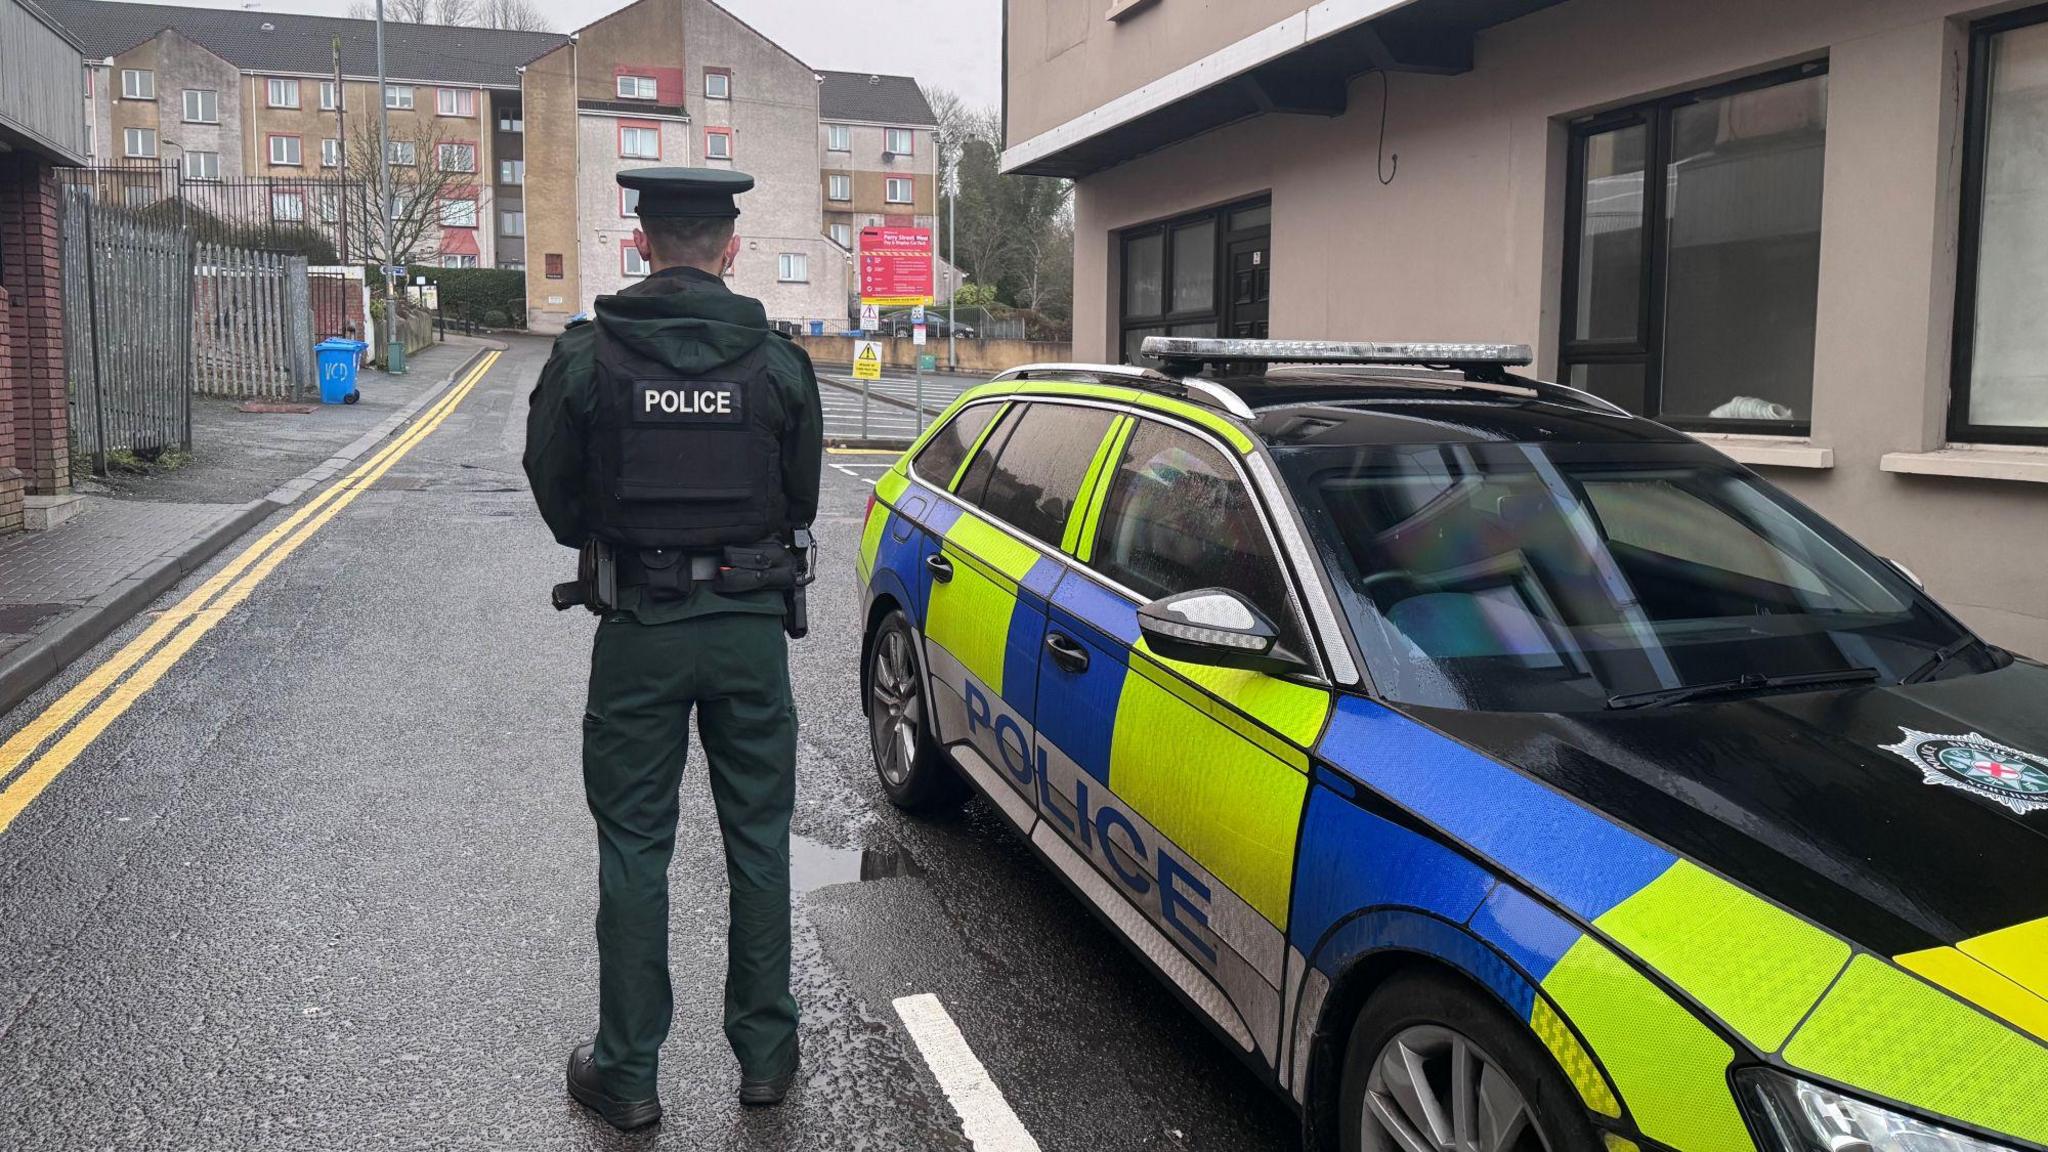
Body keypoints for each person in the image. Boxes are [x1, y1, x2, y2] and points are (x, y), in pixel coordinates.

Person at [522, 167, 823, 1131]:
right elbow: (805, 497)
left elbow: (555, 491)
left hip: (639, 630)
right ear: (729, 249)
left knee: (636, 845)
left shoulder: (585, 357)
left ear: (641, 242)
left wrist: (619, 541)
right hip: (747, 631)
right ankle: (767, 1057)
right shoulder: (779, 364)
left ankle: (629, 1072)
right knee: (759, 839)